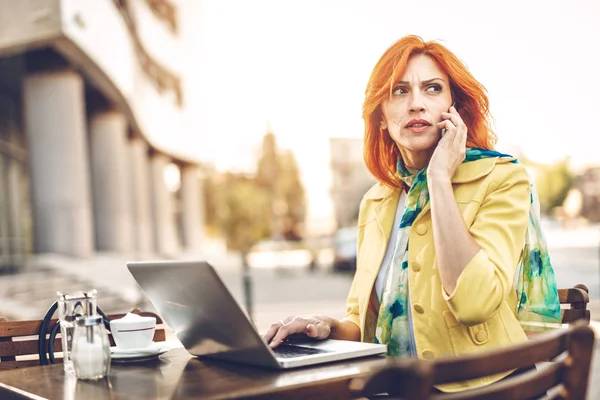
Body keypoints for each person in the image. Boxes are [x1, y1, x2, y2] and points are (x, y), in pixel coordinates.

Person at [262, 35, 560, 392]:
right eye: (399, 92)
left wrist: (438, 178)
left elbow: (474, 303)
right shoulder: (376, 201)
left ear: (455, 110)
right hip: (399, 387)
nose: (416, 103)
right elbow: (363, 324)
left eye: (432, 89)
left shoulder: (503, 179)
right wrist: (322, 325)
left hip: (491, 386)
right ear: (382, 119)